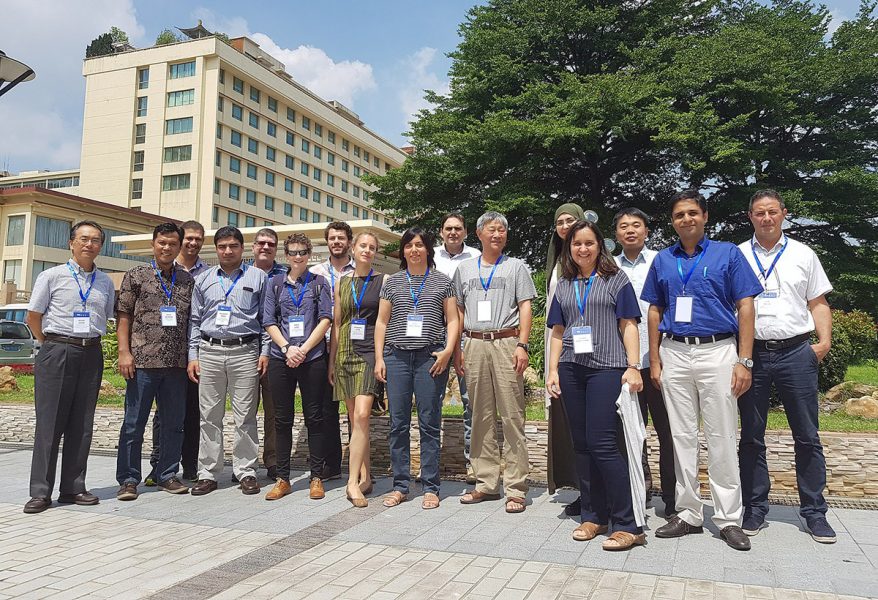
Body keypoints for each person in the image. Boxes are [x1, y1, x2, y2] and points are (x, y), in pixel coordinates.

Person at [641, 190, 763, 551]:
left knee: (722, 435)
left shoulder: (728, 253)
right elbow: (654, 311)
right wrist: (656, 359)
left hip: (718, 351)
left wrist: (744, 360)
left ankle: (728, 518)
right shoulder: (664, 260)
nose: (686, 219)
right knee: (681, 437)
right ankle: (689, 513)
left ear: (705, 216)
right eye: (679, 215)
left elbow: (745, 305)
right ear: (673, 221)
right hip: (675, 352)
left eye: (693, 213)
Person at [737, 189, 836, 543]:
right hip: (752, 354)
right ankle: (754, 507)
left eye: (772, 212)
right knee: (751, 435)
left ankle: (814, 512)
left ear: (784, 214)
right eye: (759, 213)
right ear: (750, 217)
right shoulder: (737, 255)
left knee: (807, 435)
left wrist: (822, 344)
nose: (766, 218)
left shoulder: (803, 254)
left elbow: (818, 301)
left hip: (796, 351)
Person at [545, 220, 646, 550]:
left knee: (603, 444)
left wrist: (633, 366)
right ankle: (593, 515)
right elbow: (558, 331)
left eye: (589, 243)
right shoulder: (564, 284)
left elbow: (629, 324)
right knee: (583, 445)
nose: (583, 249)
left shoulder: (616, 279)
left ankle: (628, 523)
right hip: (571, 368)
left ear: (598, 246)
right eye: (577, 244)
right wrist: (552, 370)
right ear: (569, 248)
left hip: (607, 368)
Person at [24, 221, 116, 514]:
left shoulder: (104, 282)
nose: (90, 245)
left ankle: (73, 487)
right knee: (50, 424)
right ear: (71, 243)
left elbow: (108, 316)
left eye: (96, 240)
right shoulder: (52, 276)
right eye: (84, 239)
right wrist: (51, 344)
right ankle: (40, 491)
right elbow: (34, 316)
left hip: (91, 352)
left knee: (82, 423)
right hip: (58, 349)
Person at [454, 211, 536, 514]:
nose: (497, 234)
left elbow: (525, 306)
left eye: (502, 230)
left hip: (506, 342)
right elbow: (458, 311)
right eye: (491, 229)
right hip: (473, 343)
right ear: (479, 234)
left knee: (513, 416)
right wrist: (458, 349)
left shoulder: (516, 267)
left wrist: (523, 345)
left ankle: (516, 488)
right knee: (480, 416)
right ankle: (485, 483)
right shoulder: (464, 269)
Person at [375, 228, 459, 509]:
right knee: (397, 424)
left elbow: (452, 320)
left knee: (429, 423)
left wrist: (447, 351)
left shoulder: (442, 282)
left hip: (429, 359)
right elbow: (382, 323)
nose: (414, 250)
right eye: (409, 245)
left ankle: (431, 486)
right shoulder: (393, 283)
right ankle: (400, 485)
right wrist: (379, 358)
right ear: (403, 251)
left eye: (420, 245)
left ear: (428, 250)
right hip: (396, 358)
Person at [188, 226, 270, 496]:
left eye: (233, 246)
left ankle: (245, 471)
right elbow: (195, 321)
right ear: (216, 249)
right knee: (209, 417)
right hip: (209, 351)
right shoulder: (204, 278)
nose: (227, 251)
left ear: (242, 248)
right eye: (222, 246)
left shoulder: (259, 278)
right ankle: (208, 473)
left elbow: (266, 320)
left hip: (245, 352)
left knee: (245, 416)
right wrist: (193, 355)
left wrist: (264, 352)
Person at [115, 223, 194, 500]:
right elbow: (123, 316)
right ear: (153, 244)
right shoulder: (136, 275)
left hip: (175, 365)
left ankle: (167, 474)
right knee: (134, 423)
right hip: (142, 362)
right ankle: (128, 479)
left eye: (172, 243)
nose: (166, 248)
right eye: (162, 242)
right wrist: (124, 352)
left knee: (174, 423)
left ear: (179, 246)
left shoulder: (186, 279)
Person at [614, 207, 677, 516]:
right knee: (629, 434)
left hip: (660, 360)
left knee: (669, 433)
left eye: (636, 225)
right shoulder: (608, 266)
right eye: (624, 226)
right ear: (616, 234)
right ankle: (638, 492)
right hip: (624, 363)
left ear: (647, 231)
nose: (630, 231)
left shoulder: (661, 261)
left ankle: (672, 498)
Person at [262, 233, 333, 501]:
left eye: (302, 251)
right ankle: (283, 478)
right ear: (286, 255)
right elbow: (268, 320)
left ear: (309, 253)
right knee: (282, 419)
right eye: (292, 252)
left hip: (312, 356)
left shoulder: (319, 283)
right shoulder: (275, 284)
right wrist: (286, 348)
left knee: (315, 417)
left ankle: (316, 477)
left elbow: (326, 319)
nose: (298, 256)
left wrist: (303, 349)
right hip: (282, 357)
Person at [147, 220, 208, 484]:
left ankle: (191, 465)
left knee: (193, 411)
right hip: (164, 355)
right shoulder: (164, 269)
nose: (193, 243)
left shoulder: (207, 273)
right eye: (189, 238)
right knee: (164, 414)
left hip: (194, 354)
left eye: (198, 239)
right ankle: (157, 465)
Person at [329, 231, 386, 507]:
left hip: (368, 353)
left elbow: (384, 321)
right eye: (363, 245)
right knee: (355, 420)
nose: (367, 250)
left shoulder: (382, 281)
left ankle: (352, 483)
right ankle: (366, 476)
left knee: (363, 415)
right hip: (345, 354)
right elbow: (338, 324)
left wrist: (380, 358)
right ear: (353, 248)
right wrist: (331, 362)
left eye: (372, 247)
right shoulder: (342, 282)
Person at [544, 203, 585, 513]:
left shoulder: (587, 258)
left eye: (571, 219)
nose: (564, 225)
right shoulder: (556, 261)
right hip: (558, 342)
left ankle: (596, 490)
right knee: (566, 416)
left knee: (590, 421)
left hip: (589, 348)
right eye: (559, 221)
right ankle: (579, 487)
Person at [433, 213, 480, 484]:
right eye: (448, 228)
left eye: (458, 228)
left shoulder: (475, 257)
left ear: (465, 232)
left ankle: (473, 463)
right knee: (431, 401)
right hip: (433, 334)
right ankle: (430, 463)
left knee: (470, 401)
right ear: (441, 231)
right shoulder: (431, 257)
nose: (453, 232)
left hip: (465, 335)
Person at [310, 221, 355, 481]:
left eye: (341, 238)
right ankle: (332, 464)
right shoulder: (316, 272)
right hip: (322, 346)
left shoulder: (358, 270)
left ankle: (357, 464)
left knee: (354, 410)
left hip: (352, 347)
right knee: (326, 408)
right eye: (332, 238)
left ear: (349, 241)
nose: (336, 242)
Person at [250, 228, 288, 481]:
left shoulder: (286, 276)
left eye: (271, 244)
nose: (265, 247)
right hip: (244, 349)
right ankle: (246, 466)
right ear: (253, 247)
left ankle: (273, 460)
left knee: (274, 411)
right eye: (261, 243)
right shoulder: (243, 274)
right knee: (246, 410)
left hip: (275, 353)